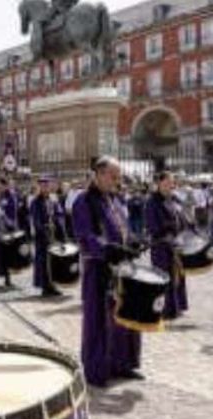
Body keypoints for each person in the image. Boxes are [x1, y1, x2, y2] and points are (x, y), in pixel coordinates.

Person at [71, 157, 145, 387]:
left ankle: (122, 364)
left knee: (124, 316)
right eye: (113, 176)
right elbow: (85, 237)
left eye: (118, 176)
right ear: (99, 174)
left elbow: (123, 228)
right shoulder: (84, 201)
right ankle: (96, 370)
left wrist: (132, 242)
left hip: (122, 267)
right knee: (98, 320)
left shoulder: (114, 199)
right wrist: (108, 249)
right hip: (99, 268)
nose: (117, 180)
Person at [144, 171, 188, 319]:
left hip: (175, 244)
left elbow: (181, 218)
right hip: (161, 246)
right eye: (168, 182)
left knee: (177, 277)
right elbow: (153, 226)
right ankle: (164, 309)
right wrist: (169, 232)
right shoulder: (152, 202)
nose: (171, 185)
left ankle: (176, 306)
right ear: (159, 183)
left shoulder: (173, 199)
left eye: (172, 182)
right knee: (164, 277)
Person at [30, 176, 62, 297]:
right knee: (43, 263)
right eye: (42, 185)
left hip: (53, 235)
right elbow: (36, 221)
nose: (45, 188)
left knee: (53, 262)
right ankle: (45, 287)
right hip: (42, 237)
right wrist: (44, 233)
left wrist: (60, 231)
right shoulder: (35, 202)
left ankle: (52, 286)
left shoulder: (53, 200)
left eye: (47, 185)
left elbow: (59, 215)